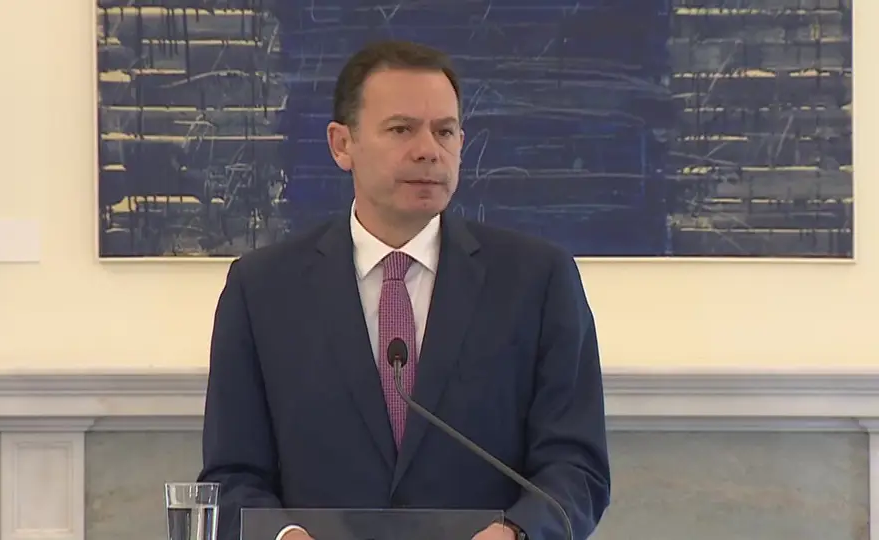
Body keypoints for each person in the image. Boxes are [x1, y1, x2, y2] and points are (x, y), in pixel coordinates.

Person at [198, 39, 611, 540]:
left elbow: (577, 469)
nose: (428, 150)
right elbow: (231, 478)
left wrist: (518, 532)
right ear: (342, 144)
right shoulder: (262, 289)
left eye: (445, 131)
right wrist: (284, 537)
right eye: (401, 129)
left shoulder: (537, 280)